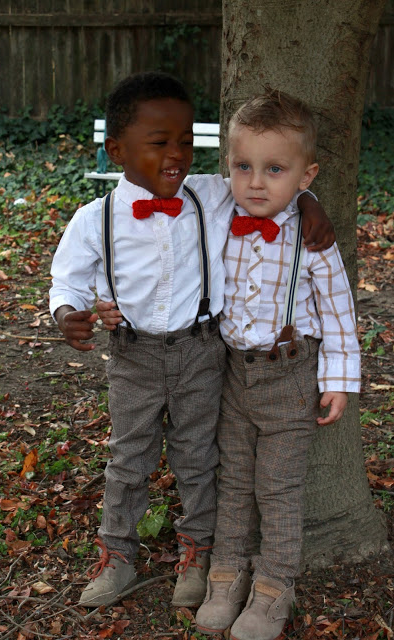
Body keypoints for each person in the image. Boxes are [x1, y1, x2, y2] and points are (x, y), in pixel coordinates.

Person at [49, 72, 334, 610]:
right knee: (128, 458)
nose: (176, 154)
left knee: (198, 457)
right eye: (159, 143)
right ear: (117, 149)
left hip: (202, 352)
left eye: (186, 141)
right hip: (132, 357)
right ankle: (119, 555)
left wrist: (311, 200)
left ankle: (197, 552)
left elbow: (273, 184)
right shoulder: (95, 219)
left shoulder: (210, 195)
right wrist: (68, 313)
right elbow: (66, 281)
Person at [192, 90, 361, 640]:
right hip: (231, 375)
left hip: (290, 378)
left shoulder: (313, 239)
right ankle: (225, 575)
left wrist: (338, 381)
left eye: (275, 170)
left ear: (305, 175)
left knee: (278, 488)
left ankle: (273, 588)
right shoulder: (218, 215)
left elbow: (338, 312)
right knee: (234, 480)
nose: (256, 183)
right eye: (243, 167)